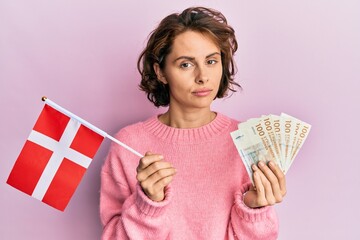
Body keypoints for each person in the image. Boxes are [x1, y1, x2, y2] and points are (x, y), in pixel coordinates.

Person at [100, 6, 286, 240]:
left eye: (211, 61)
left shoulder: (247, 140)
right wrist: (148, 205)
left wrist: (252, 210)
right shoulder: (128, 143)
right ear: (161, 72)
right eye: (186, 64)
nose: (202, 76)